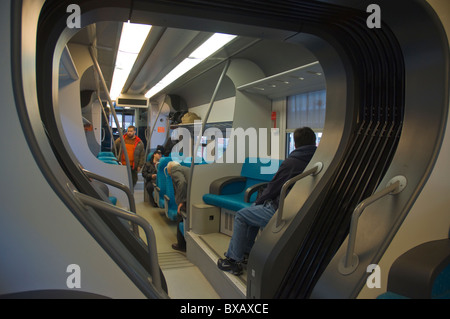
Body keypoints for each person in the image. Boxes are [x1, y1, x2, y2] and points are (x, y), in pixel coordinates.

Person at [217, 127, 317, 275]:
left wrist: (258, 201)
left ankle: (233, 259)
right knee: (251, 213)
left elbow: (274, 187)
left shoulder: (292, 163)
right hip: (300, 209)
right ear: (314, 141)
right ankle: (247, 253)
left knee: (242, 215)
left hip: (281, 210)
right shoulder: (317, 161)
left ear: (295, 144)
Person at [166, 161, 190, 252]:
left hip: (188, 199)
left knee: (180, 214)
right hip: (196, 196)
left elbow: (182, 183)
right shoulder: (186, 169)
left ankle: (181, 245)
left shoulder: (174, 170)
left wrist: (181, 202)